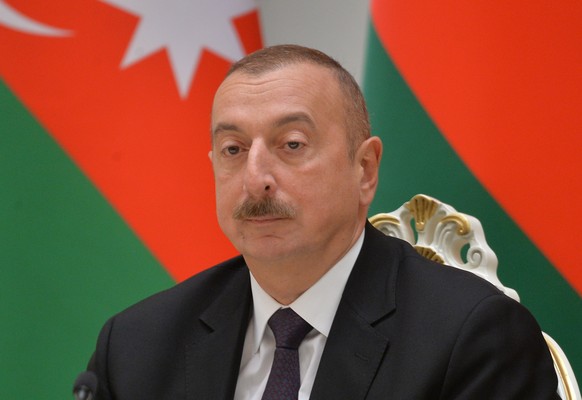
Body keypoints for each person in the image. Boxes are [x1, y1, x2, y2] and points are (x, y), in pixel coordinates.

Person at [86, 44, 559, 399]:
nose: (255, 180)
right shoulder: (137, 346)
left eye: (291, 144)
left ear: (365, 170)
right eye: (233, 149)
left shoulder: (473, 337)